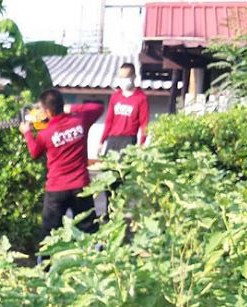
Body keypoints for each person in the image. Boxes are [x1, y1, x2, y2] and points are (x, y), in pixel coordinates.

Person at [20, 88, 104, 243]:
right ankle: (96, 261)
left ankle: (45, 266)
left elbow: (34, 153)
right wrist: (71, 108)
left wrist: (27, 133)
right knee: (89, 228)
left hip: (57, 189)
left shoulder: (46, 133)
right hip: (81, 187)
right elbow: (98, 107)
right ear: (62, 104)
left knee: (50, 233)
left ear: (47, 111)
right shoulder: (80, 120)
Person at [96, 63, 150, 218]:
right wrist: (102, 141)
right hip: (113, 140)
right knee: (108, 177)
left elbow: (144, 124)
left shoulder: (141, 98)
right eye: (120, 77)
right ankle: (108, 210)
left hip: (128, 140)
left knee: (122, 178)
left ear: (133, 77)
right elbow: (109, 120)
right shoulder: (115, 96)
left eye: (126, 77)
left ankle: (120, 212)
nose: (123, 80)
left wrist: (141, 144)